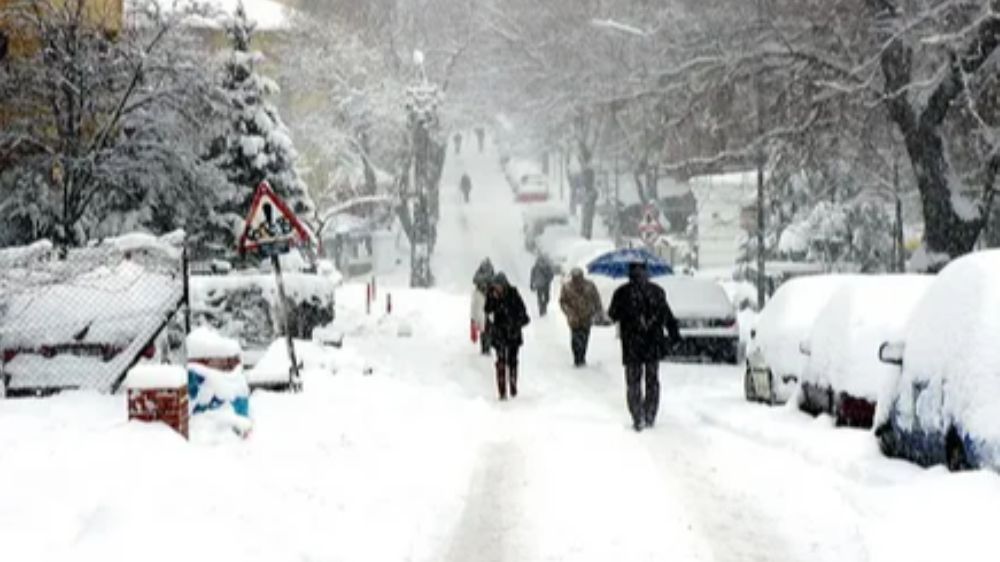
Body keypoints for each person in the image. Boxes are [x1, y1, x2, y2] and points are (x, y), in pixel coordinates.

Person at [607, 261, 681, 431]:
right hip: (653, 343)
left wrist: (627, 315)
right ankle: (650, 414)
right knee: (652, 380)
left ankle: (637, 414)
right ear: (647, 273)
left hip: (632, 344)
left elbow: (612, 315)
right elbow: (667, 316)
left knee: (633, 381)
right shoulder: (657, 291)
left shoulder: (622, 292)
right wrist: (674, 335)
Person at [484, 272, 530, 400]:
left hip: (513, 333)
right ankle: (502, 391)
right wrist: (493, 299)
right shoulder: (491, 295)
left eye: (499, 285)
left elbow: (523, 313)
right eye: (495, 286)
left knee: (513, 361)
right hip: (499, 334)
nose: (497, 288)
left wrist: (515, 323)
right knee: (500, 362)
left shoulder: (513, 294)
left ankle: (513, 387)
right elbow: (487, 310)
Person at [559, 267, 603, 367]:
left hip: (587, 317)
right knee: (575, 338)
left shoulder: (590, 286)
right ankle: (577, 358)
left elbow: (596, 298)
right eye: (575, 277)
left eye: (578, 277)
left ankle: (582, 356)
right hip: (574, 318)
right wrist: (569, 312)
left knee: (585, 338)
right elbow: (562, 302)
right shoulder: (567, 287)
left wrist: (598, 311)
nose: (577, 279)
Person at [472, 258, 495, 354]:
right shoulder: (491, 274)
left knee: (484, 327)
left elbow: (475, 280)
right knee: (487, 327)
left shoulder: (480, 274)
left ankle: (485, 347)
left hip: (484, 303)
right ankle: (486, 347)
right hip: (486, 303)